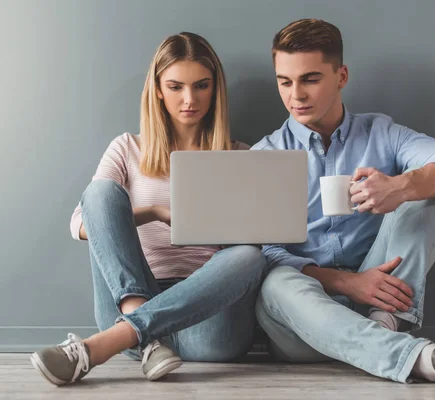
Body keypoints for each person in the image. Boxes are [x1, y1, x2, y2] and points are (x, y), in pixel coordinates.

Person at [252, 19, 435, 388]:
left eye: (310, 79)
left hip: (383, 301)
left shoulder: (381, 132)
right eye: (285, 82)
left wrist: (400, 186)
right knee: (275, 282)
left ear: (341, 75)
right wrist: (347, 283)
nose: (295, 95)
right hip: (302, 321)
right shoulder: (264, 154)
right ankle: (416, 356)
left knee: (426, 194)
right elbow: (265, 253)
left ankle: (383, 331)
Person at [30, 32, 266, 386]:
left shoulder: (240, 156)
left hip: (207, 322)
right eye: (176, 87)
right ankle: (144, 332)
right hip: (136, 293)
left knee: (250, 257)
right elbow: (80, 224)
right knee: (101, 193)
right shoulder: (127, 149)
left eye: (201, 86)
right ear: (157, 89)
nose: (190, 99)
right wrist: (155, 211)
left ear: (215, 89)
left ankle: (108, 343)